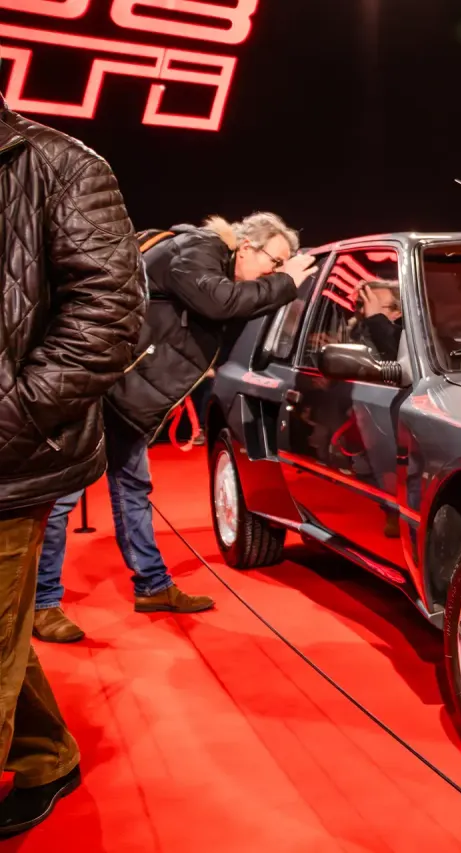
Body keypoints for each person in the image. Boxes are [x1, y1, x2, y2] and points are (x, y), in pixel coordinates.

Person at [33, 214, 315, 644]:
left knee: (132, 489)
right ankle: (41, 602)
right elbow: (220, 303)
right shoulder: (197, 249)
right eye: (274, 261)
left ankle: (151, 585)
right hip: (103, 389)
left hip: (126, 396)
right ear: (245, 247)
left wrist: (279, 284)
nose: (275, 271)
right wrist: (286, 282)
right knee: (64, 495)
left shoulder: (216, 265)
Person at [0, 94, 144, 835]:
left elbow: (110, 315)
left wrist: (13, 417)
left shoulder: (59, 165)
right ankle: (49, 754)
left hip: (13, 457)